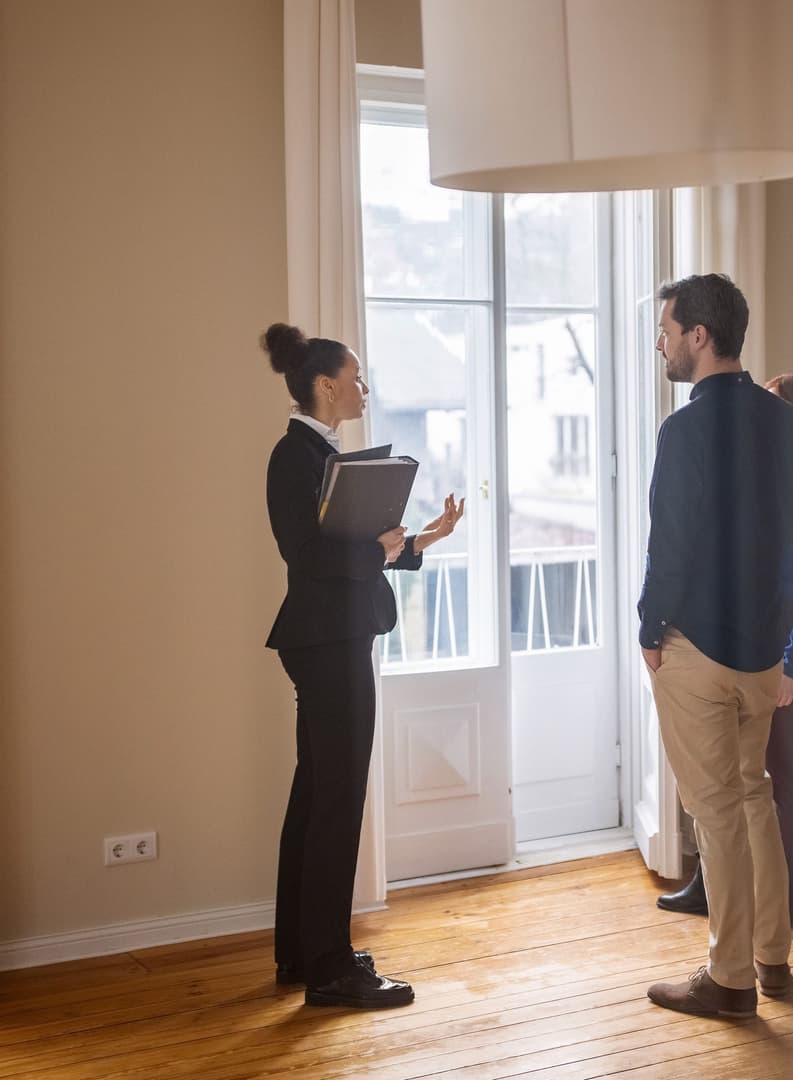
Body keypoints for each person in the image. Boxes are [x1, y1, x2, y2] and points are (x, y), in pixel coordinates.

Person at [639, 275, 793, 1019]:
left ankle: (728, 979)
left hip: (698, 648)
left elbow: (671, 545)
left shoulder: (684, 431)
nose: (660, 340)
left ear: (700, 336)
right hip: (763, 650)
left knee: (718, 811)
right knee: (753, 798)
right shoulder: (787, 423)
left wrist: (649, 630)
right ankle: (774, 957)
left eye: (667, 328)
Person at [261, 322, 464, 1010]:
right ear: (325, 385)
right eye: (356, 377)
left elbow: (353, 550)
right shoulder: (295, 459)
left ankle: (301, 951)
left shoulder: (316, 456)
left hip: (329, 637)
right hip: (328, 642)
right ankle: (328, 965)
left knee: (317, 794)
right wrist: (380, 550)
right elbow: (315, 560)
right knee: (336, 800)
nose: (365, 389)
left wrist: (421, 539)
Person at [656, 373, 793, 927]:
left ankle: (788, 891)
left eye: (772, 406)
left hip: (789, 647)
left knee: (786, 767)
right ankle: (710, 884)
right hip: (754, 635)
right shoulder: (772, 482)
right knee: (731, 771)